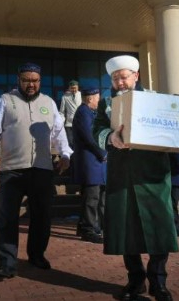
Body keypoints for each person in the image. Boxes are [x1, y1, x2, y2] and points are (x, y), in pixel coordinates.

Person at [93, 55, 178, 301]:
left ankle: (158, 282)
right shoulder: (106, 103)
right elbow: (96, 129)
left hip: (153, 173)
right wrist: (110, 137)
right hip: (121, 173)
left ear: (136, 76)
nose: (120, 82)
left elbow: (172, 126)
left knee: (159, 226)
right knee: (125, 228)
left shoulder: (155, 99)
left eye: (124, 77)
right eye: (115, 78)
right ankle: (135, 279)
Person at [0, 63, 72, 278]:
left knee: (41, 216)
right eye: (26, 80)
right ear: (19, 80)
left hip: (42, 169)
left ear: (40, 81)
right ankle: (7, 263)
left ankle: (37, 255)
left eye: (35, 80)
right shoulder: (6, 100)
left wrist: (65, 154)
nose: (31, 84)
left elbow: (58, 132)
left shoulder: (49, 103)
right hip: (11, 170)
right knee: (8, 218)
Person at [71, 87, 107, 244]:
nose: (99, 101)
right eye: (97, 98)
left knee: (95, 196)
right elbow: (90, 136)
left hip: (95, 163)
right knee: (92, 198)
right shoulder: (83, 113)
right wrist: (102, 153)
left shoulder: (89, 112)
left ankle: (86, 226)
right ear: (90, 98)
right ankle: (89, 229)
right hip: (90, 161)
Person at [59, 80, 81, 147]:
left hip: (80, 122)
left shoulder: (81, 95)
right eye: (72, 88)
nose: (73, 90)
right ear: (69, 88)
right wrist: (61, 122)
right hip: (69, 124)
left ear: (78, 87)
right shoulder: (65, 97)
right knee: (70, 142)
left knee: (80, 142)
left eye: (75, 88)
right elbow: (62, 112)